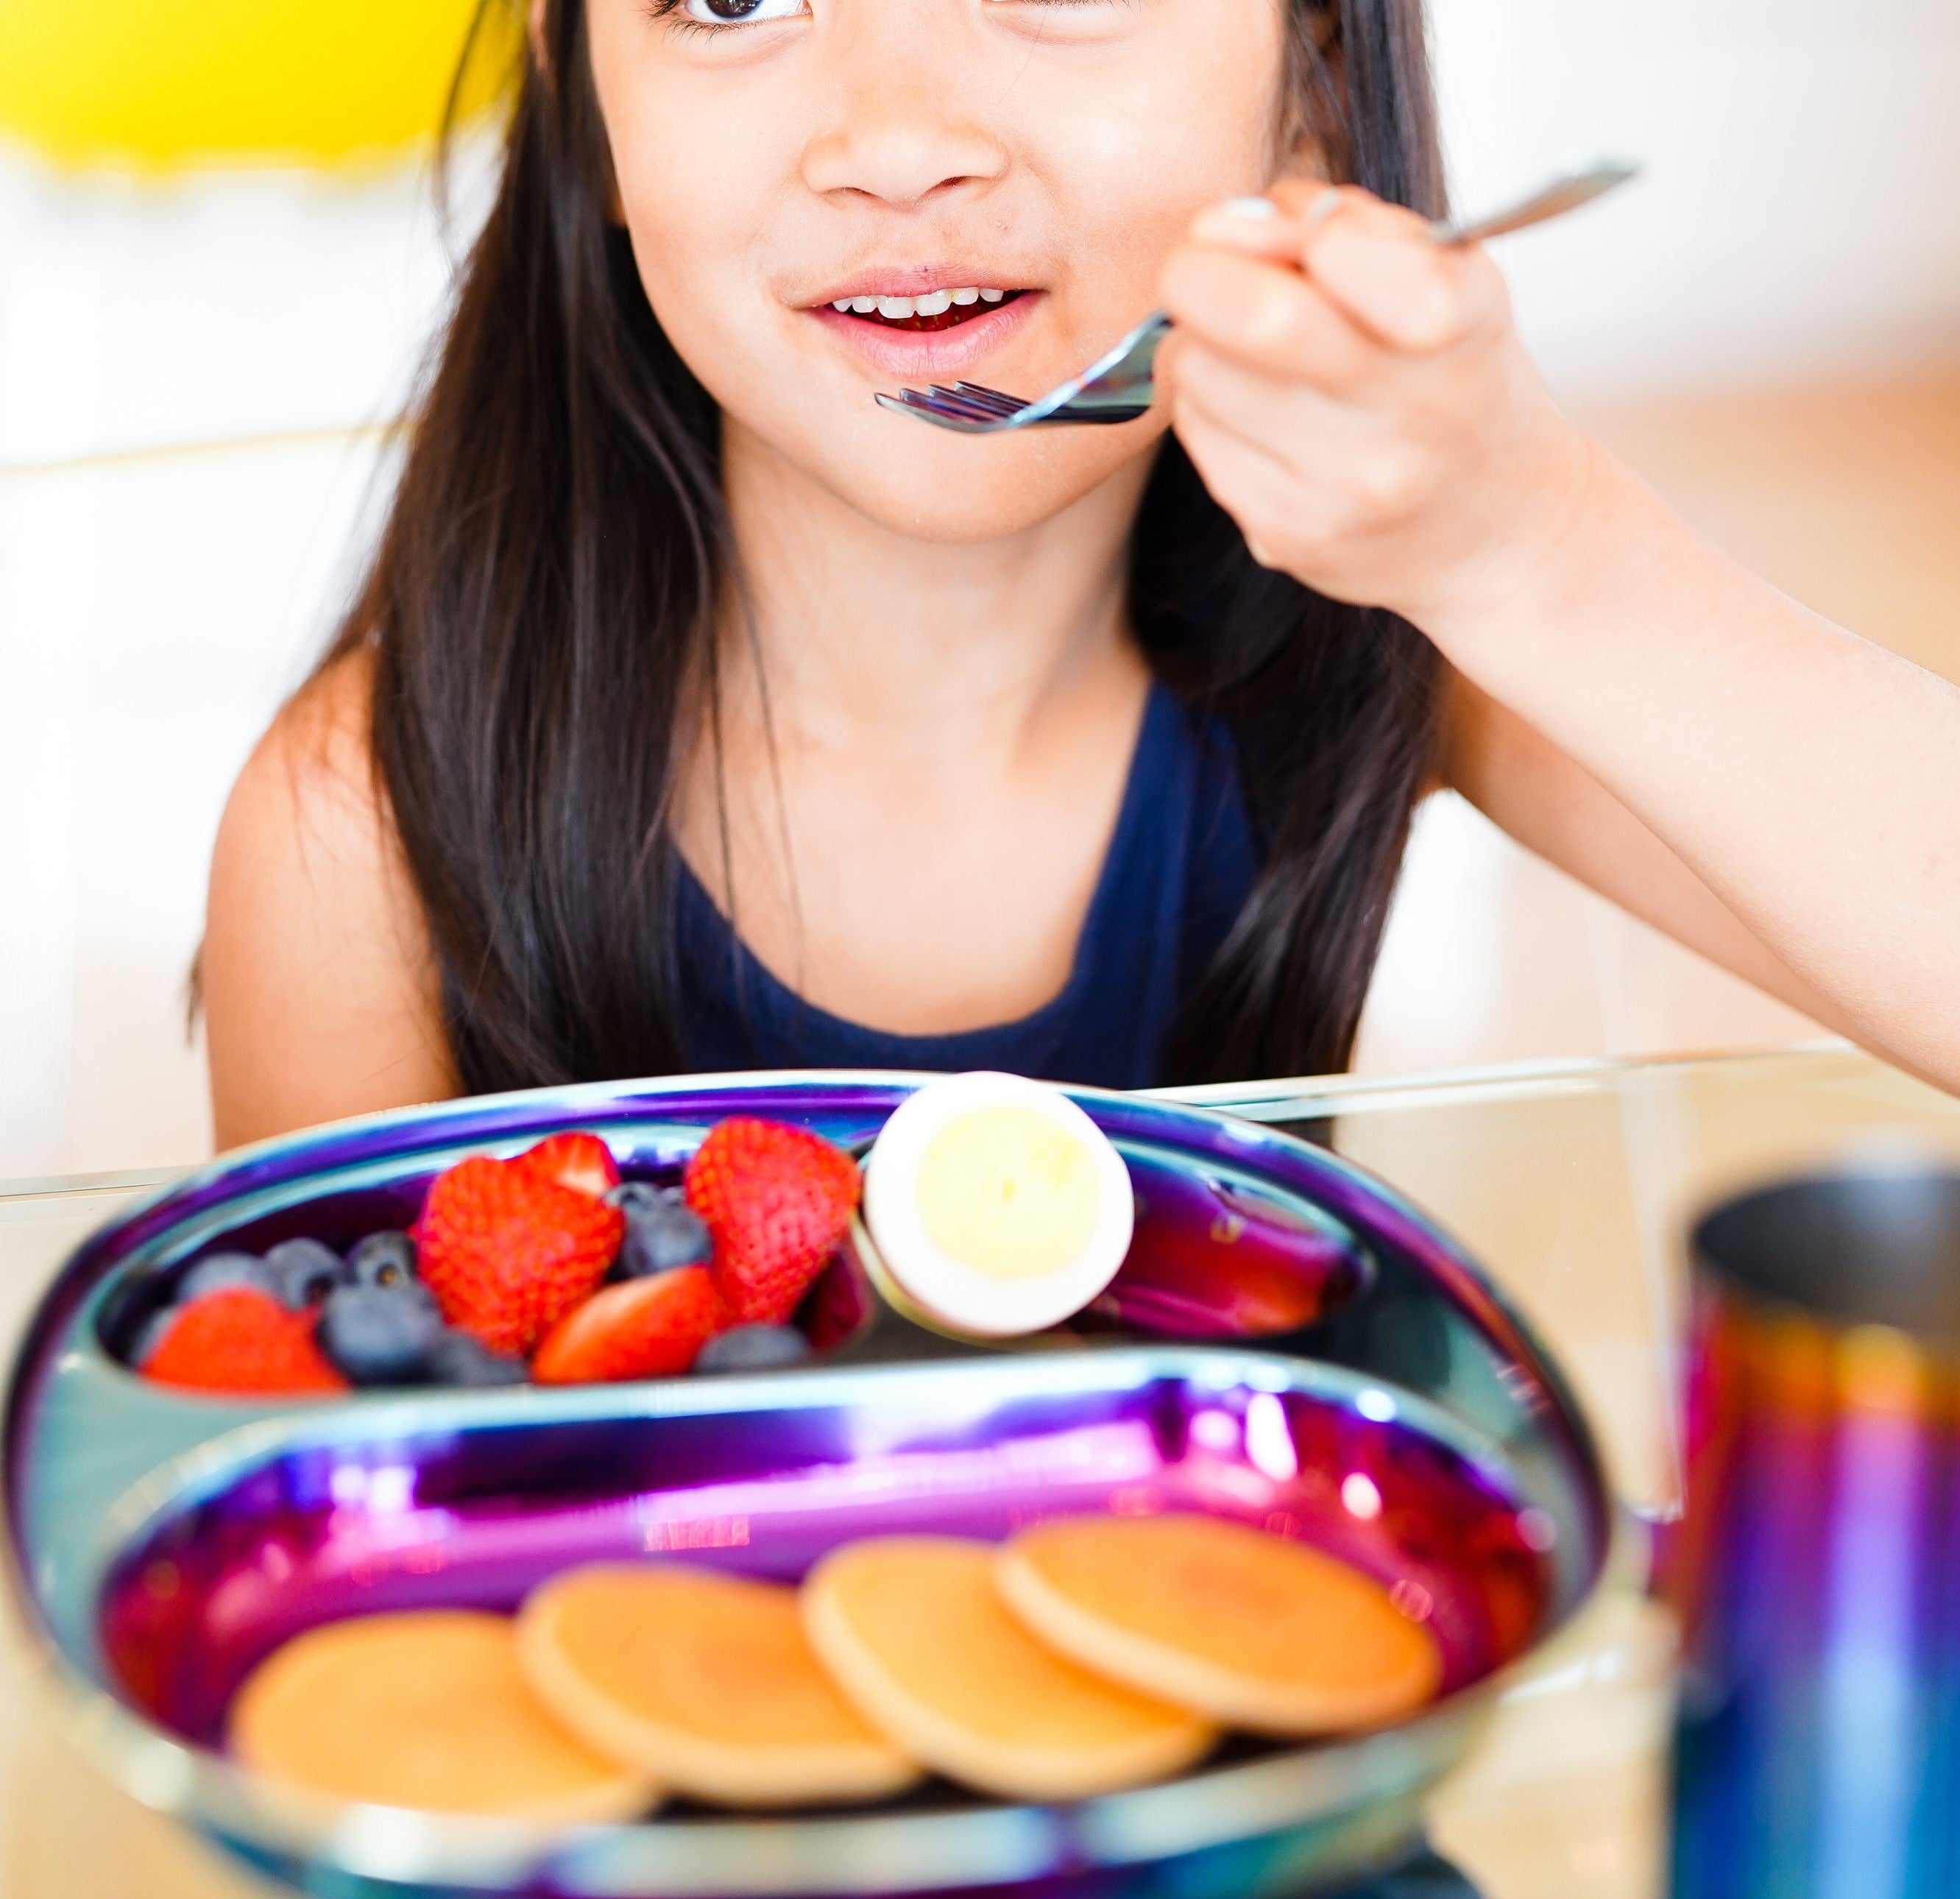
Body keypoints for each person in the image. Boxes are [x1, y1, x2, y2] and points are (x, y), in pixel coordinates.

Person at [204, 0, 1960, 1155]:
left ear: (1316, 76)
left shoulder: (1376, 633)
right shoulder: (357, 832)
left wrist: (1536, 548)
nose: (895, 141)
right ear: (568, 82)